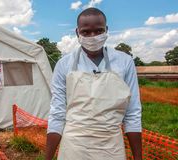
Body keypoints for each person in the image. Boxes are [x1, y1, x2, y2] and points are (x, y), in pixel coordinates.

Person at [45, 8, 142, 160]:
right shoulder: (64, 65)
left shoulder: (124, 62)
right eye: (86, 32)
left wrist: (138, 157)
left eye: (99, 31)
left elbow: (133, 113)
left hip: (111, 147)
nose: (93, 37)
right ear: (77, 33)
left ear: (106, 30)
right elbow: (57, 114)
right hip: (74, 147)